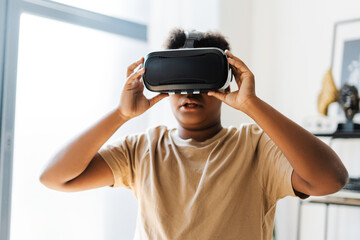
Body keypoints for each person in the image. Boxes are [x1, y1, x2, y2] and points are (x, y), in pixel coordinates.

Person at [40, 28, 349, 239]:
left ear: (225, 82)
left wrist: (252, 105)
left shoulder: (255, 146)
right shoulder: (143, 148)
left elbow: (330, 179)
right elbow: (55, 177)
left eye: (202, 78)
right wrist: (120, 114)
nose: (190, 91)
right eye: (179, 79)